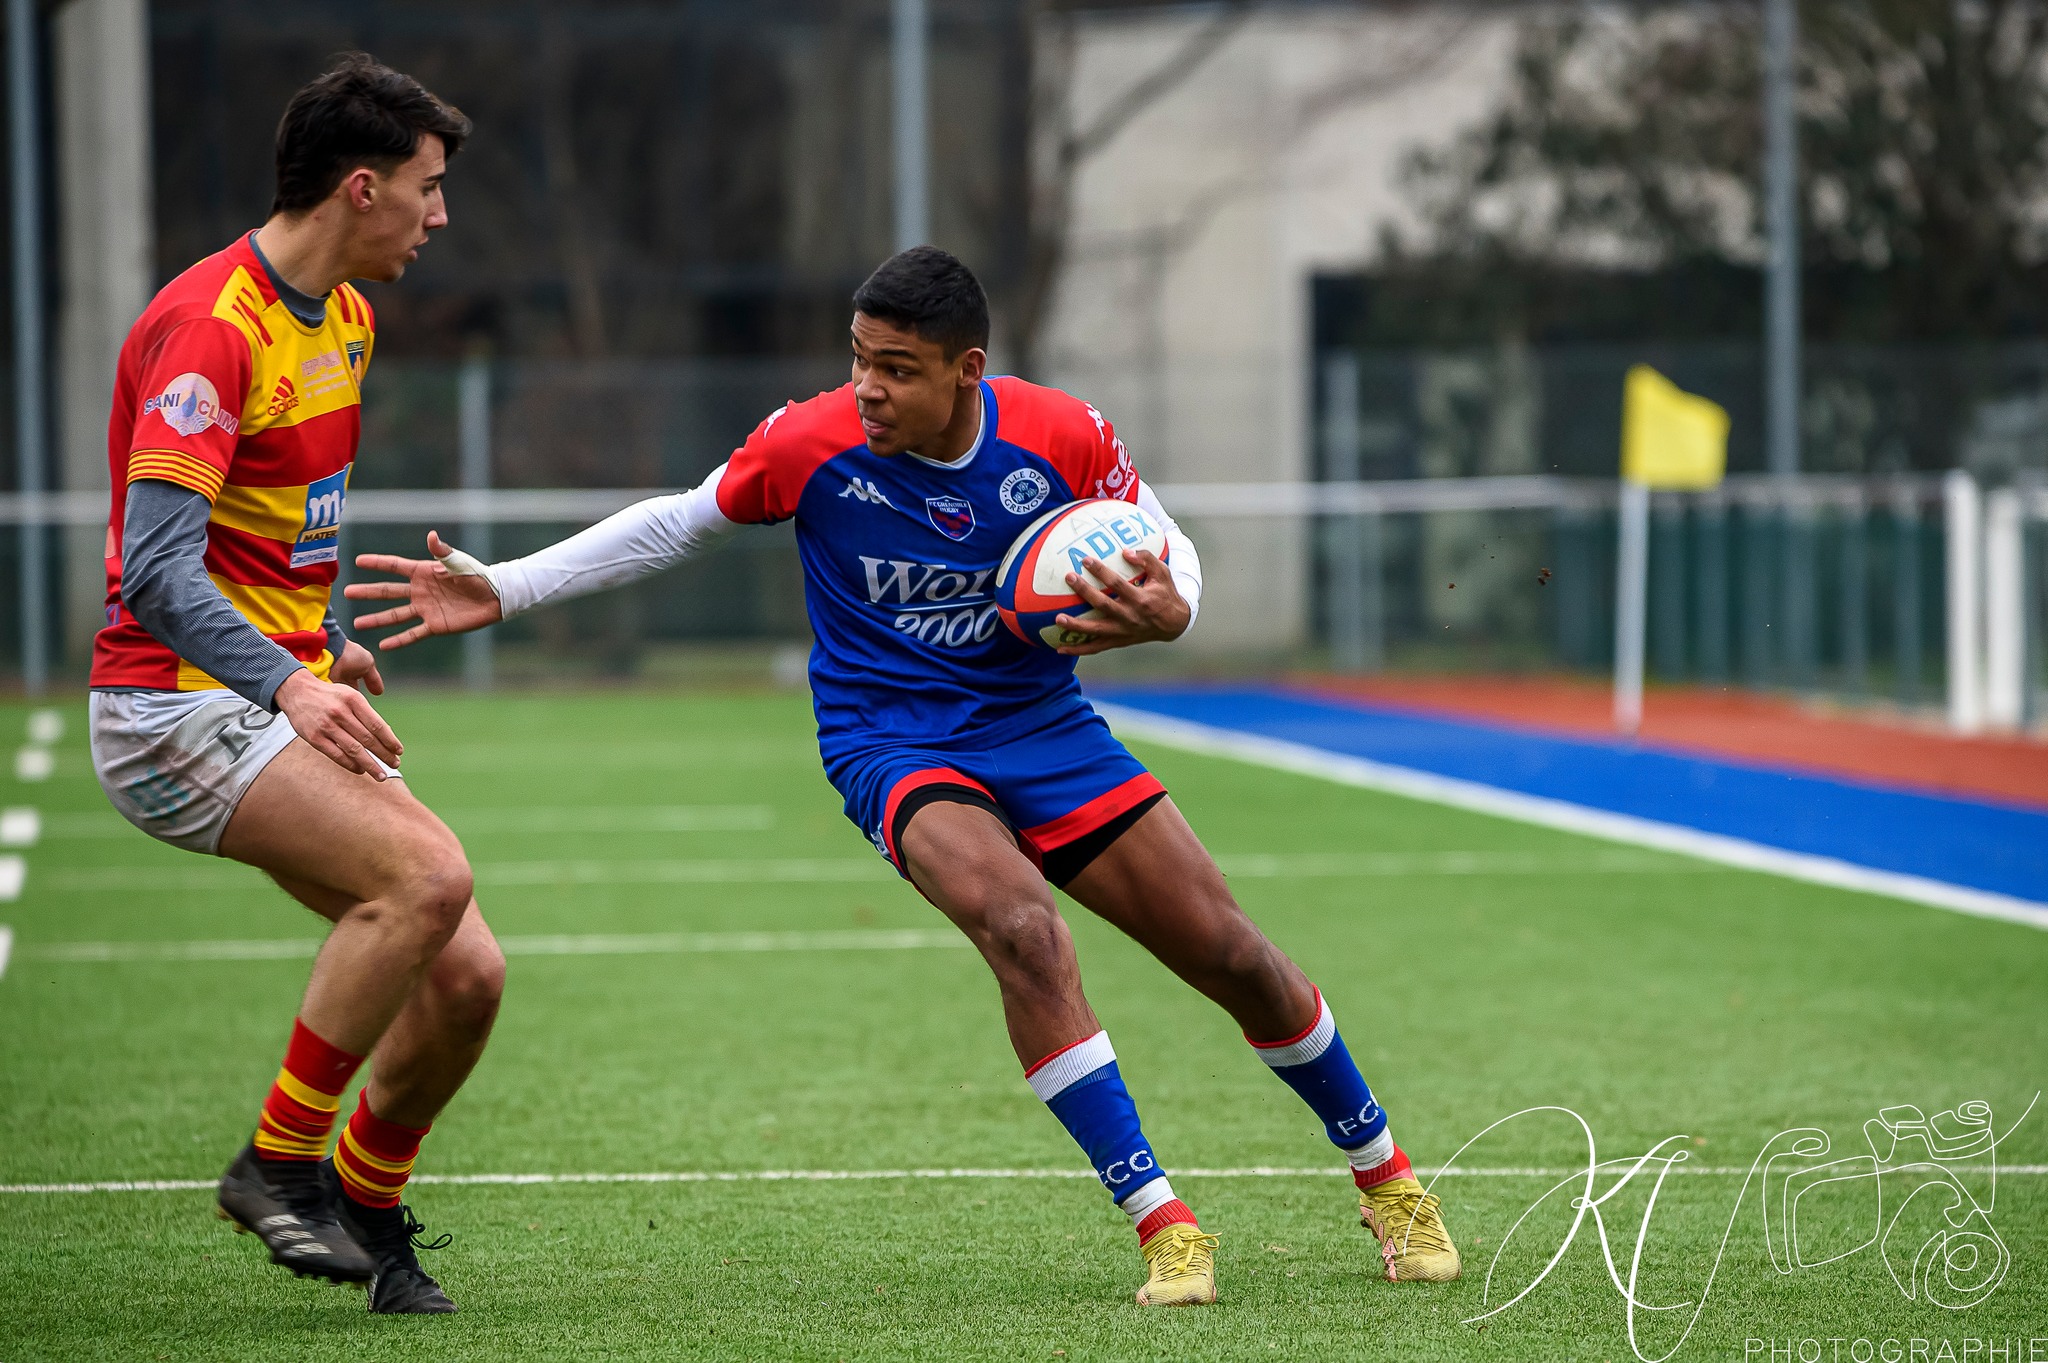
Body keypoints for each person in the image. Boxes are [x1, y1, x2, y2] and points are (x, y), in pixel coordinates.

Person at [349, 246, 1458, 1305]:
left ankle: (1386, 1178)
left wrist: (1176, 607)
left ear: (966, 370)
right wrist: (506, 588)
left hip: (1042, 722)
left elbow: (1167, 549)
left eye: (895, 368)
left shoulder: (1060, 434)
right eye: (856, 358)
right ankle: (1163, 1220)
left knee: (1234, 955)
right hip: (891, 739)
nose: (865, 388)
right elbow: (678, 524)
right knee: (1023, 929)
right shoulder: (811, 444)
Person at [87, 54, 499, 1315]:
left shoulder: (350, 318)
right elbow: (156, 572)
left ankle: (368, 1213)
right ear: (360, 188)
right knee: (427, 878)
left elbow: (271, 526)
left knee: (466, 975)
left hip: (262, 687)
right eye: (427, 190)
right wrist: (288, 681)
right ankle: (277, 1166)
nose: (439, 216)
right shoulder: (212, 330)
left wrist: (318, 636)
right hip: (168, 706)